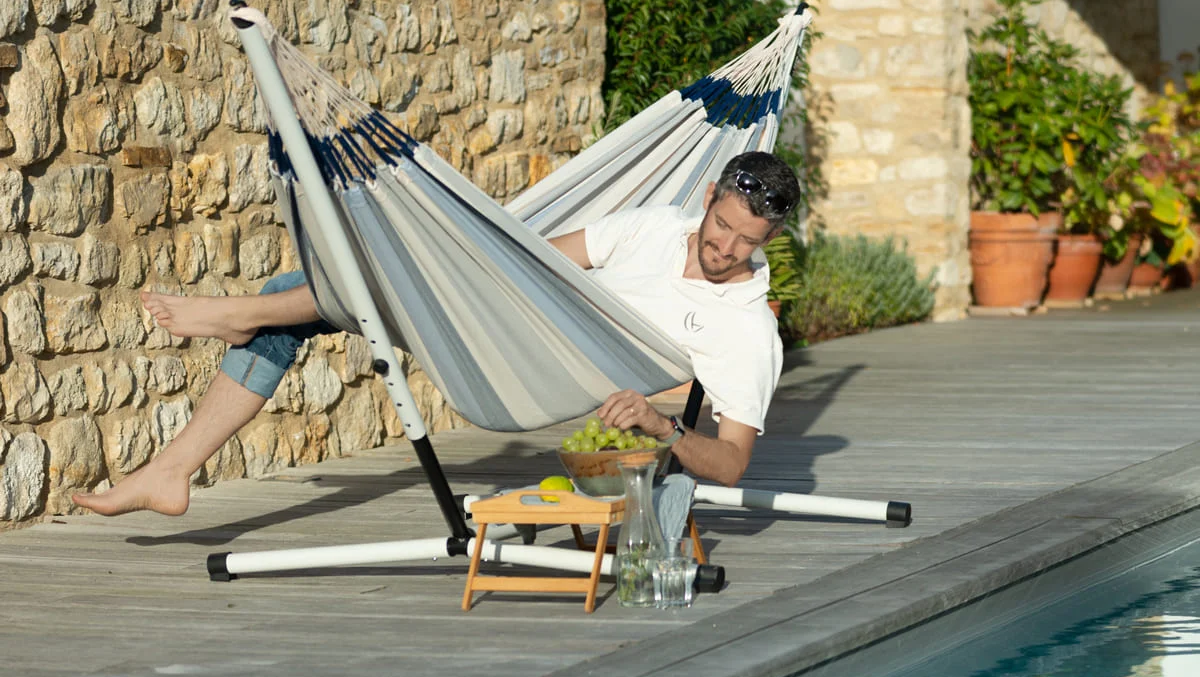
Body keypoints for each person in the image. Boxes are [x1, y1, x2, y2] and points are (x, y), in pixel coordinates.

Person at [72, 151, 800, 516]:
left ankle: (236, 317)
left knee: (307, 296)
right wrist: (466, 259)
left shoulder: (746, 331)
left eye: (746, 242)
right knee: (304, 296)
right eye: (722, 225)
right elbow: (544, 259)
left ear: (768, 240)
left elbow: (732, 463)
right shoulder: (654, 228)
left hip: (546, 370)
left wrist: (661, 423)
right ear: (708, 198)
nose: (725, 248)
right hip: (520, 319)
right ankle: (173, 470)